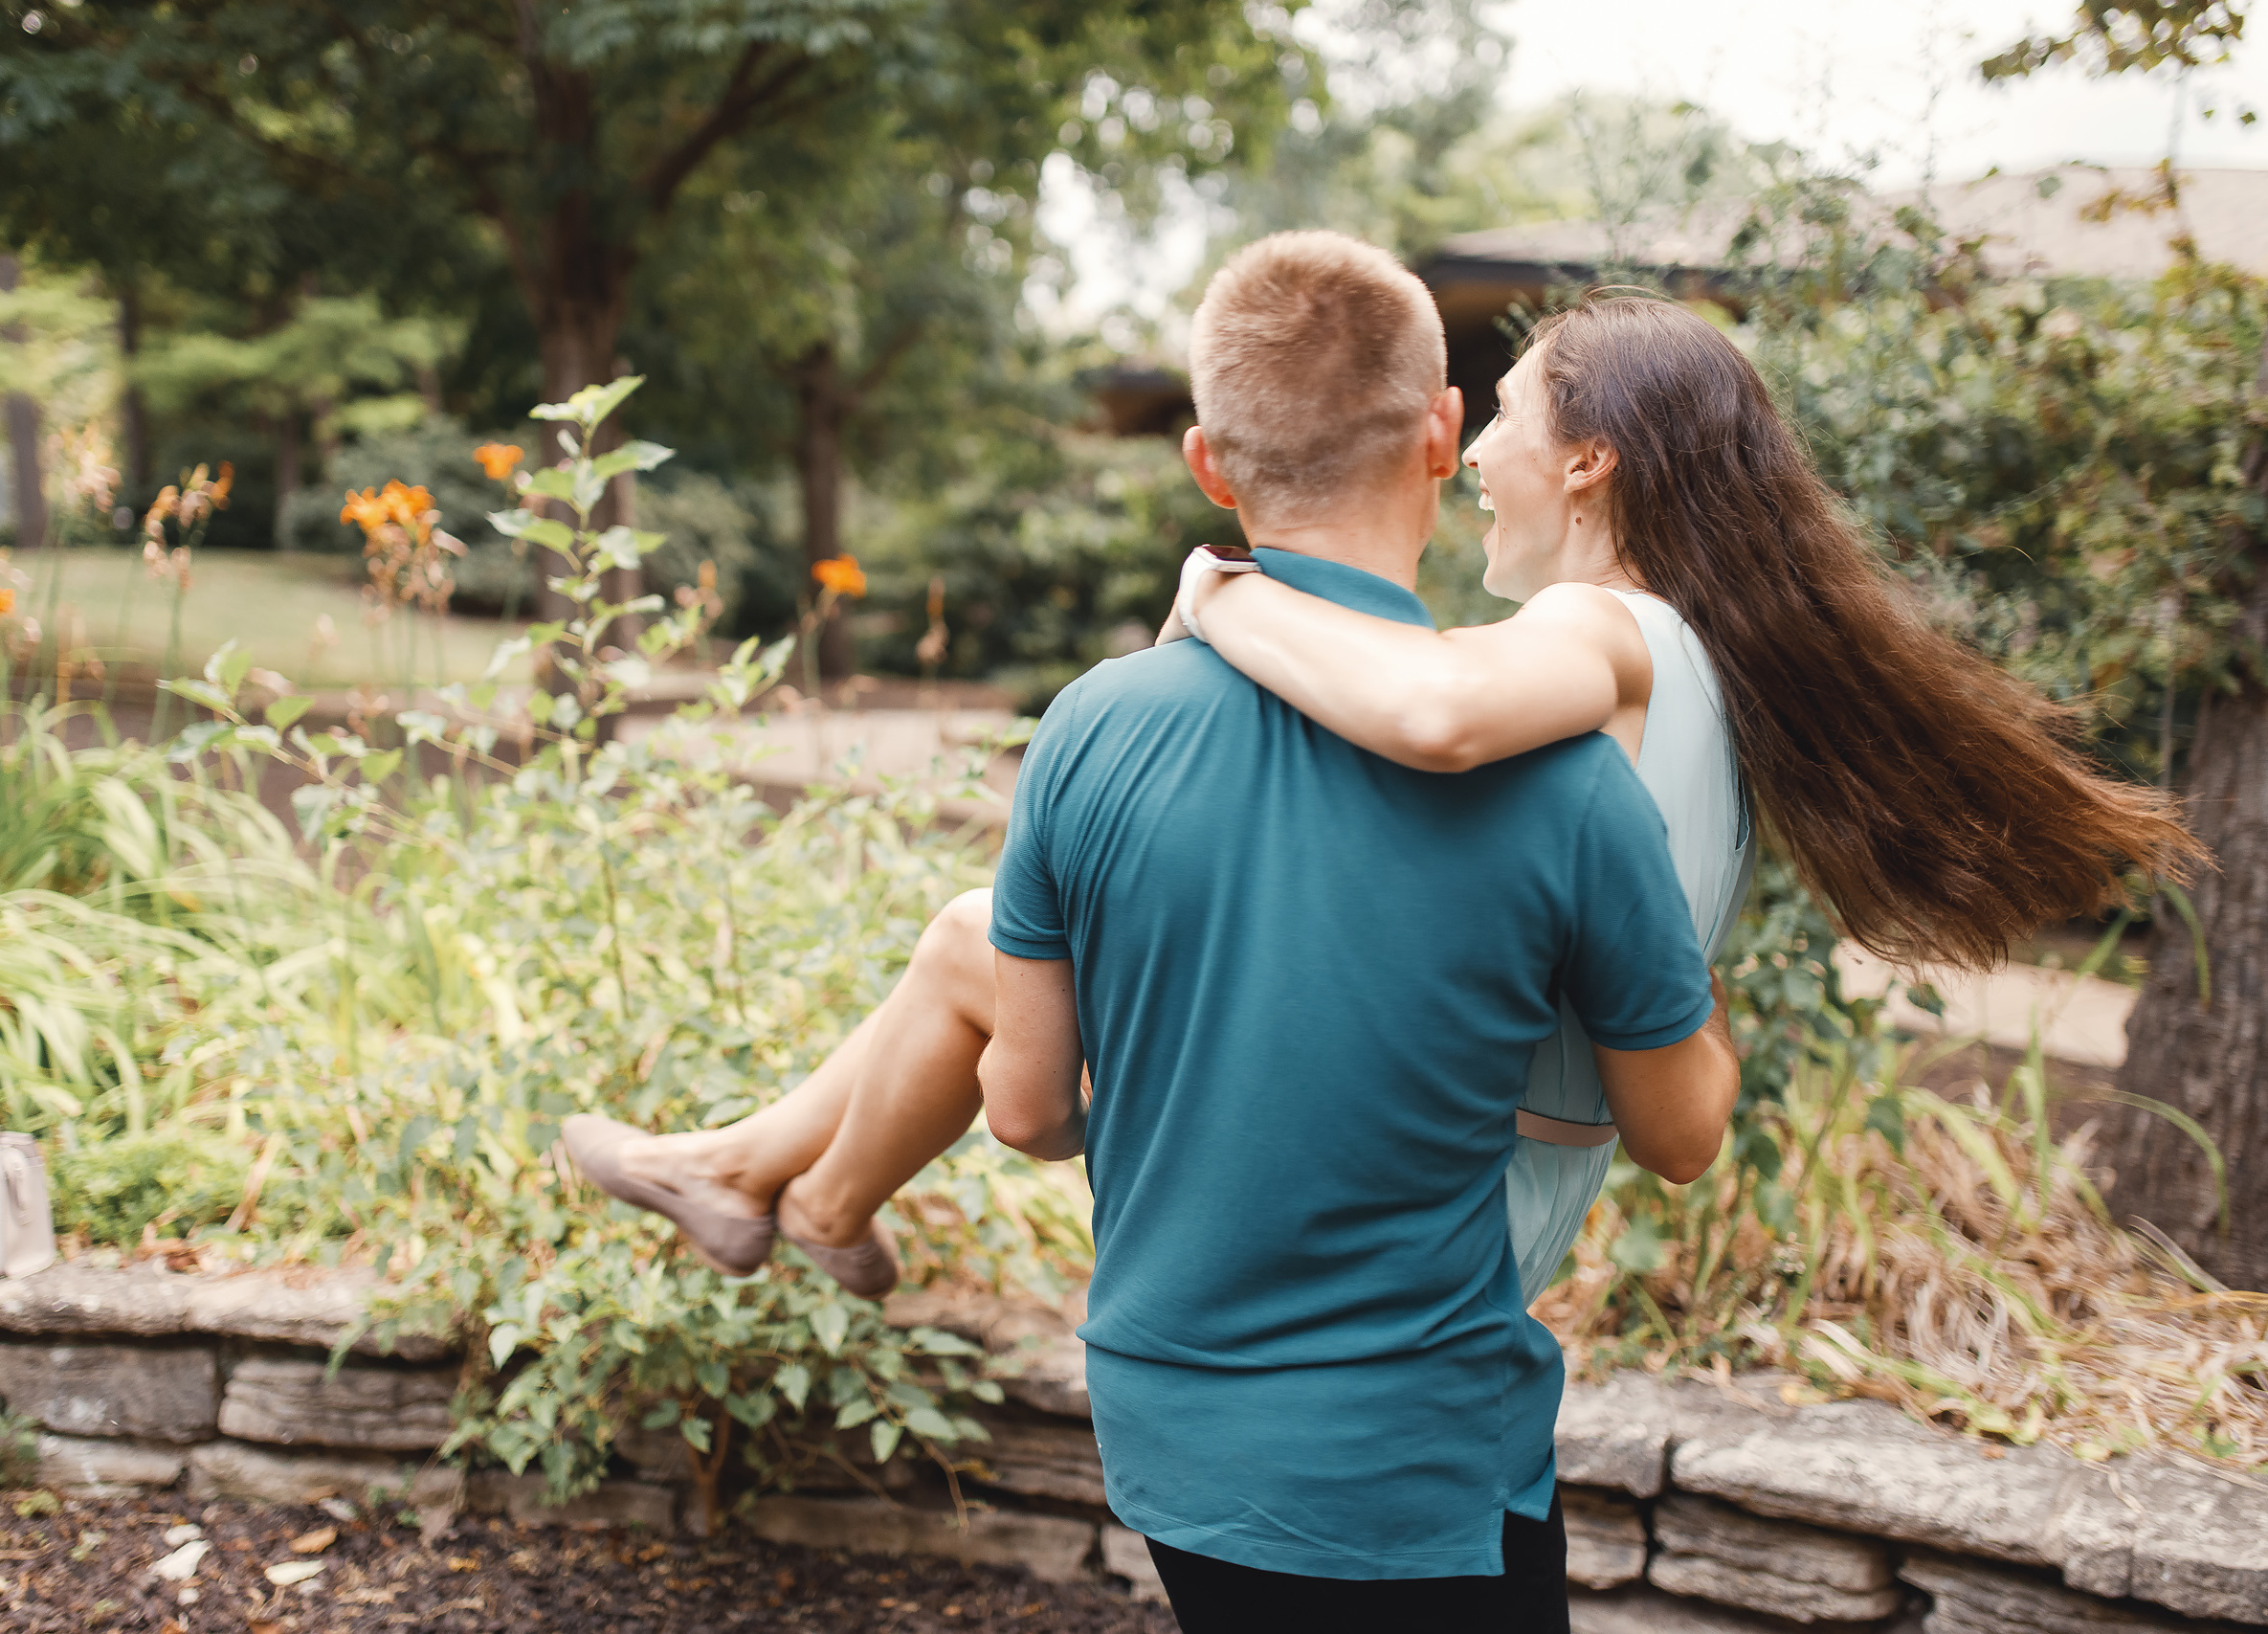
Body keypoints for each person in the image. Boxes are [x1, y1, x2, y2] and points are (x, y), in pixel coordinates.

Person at [561, 269, 2192, 1303]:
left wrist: (1223, 595)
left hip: (1440, 1190)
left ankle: (784, 1182)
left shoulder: (1608, 632)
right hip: (1503, 1158)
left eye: (1507, 417)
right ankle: (793, 1190)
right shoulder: (1679, 654)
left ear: (1588, 462)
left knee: (977, 941)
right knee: (966, 934)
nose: (1469, 447)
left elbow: (1422, 712)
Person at [965, 230, 1740, 1622]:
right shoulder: (1568, 782)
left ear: (1209, 463)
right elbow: (1680, 1137)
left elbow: (1024, 1108)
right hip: (1413, 1476)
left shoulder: (1088, 725)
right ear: (1440, 434)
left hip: (1164, 1427)